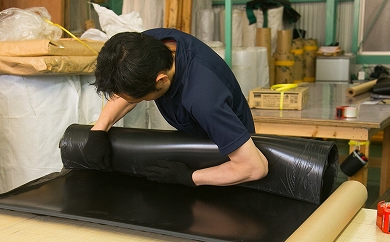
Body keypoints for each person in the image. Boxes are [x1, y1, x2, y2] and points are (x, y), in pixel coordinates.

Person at [85, 28, 268, 187]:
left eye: (140, 99)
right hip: (197, 133)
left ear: (161, 80)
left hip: (228, 154)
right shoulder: (145, 47)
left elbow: (254, 168)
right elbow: (127, 91)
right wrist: (99, 129)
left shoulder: (203, 99)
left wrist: (189, 177)